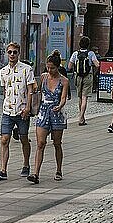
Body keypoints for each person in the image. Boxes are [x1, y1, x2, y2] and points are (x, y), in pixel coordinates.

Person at [0, 42, 35, 181]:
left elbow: (30, 90)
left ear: (19, 53)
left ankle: (26, 164)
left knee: (23, 138)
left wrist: (28, 108)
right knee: (4, 139)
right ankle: (3, 170)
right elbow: (5, 90)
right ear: (6, 53)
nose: (12, 55)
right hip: (8, 110)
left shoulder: (27, 69)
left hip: (22, 110)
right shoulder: (3, 71)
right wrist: (5, 104)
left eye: (14, 52)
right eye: (10, 52)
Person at [27, 50, 69, 184]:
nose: (50, 70)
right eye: (48, 67)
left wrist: (60, 106)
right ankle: (35, 173)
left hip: (57, 112)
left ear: (58, 67)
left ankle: (58, 170)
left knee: (57, 143)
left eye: (53, 68)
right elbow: (37, 91)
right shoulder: (44, 77)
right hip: (43, 111)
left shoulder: (64, 80)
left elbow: (63, 98)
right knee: (40, 143)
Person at [68, 36, 100, 126]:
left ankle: (82, 117)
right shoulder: (91, 54)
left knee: (80, 97)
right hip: (88, 76)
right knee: (84, 97)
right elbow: (97, 65)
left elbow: (69, 66)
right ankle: (81, 117)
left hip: (78, 76)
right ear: (88, 45)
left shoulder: (75, 54)